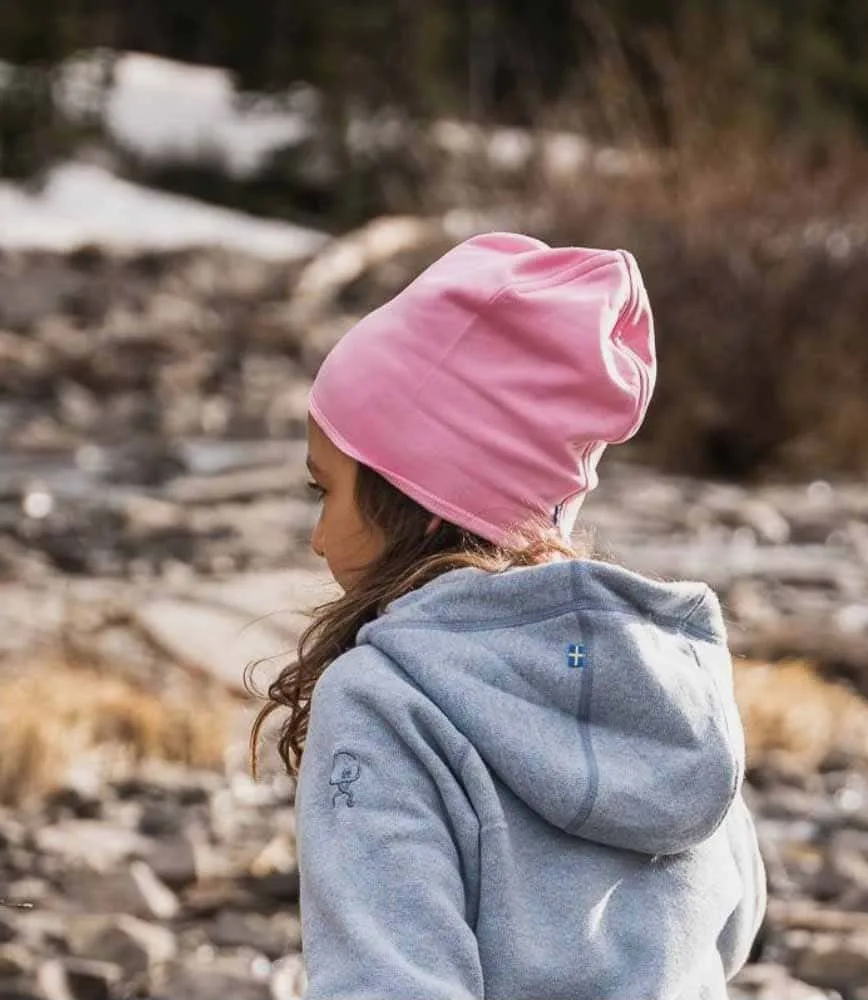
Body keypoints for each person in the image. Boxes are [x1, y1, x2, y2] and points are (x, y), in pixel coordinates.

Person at [250, 232, 767, 1000]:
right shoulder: (663, 666)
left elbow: (386, 983)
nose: (319, 536)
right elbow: (734, 921)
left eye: (324, 491)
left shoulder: (386, 697)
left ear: (415, 500)